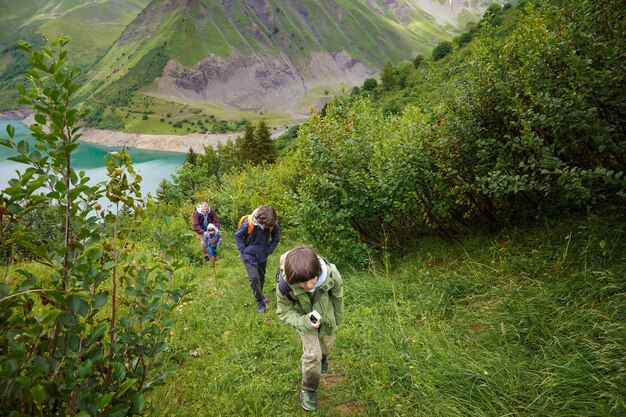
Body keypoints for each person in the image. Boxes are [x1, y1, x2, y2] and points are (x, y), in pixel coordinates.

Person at [275, 246, 344, 412]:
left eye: (310, 280)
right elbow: (284, 311)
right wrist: (304, 321)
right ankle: (309, 388)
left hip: (327, 320)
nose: (306, 285)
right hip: (304, 322)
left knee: (326, 345)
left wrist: (337, 318)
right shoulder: (285, 287)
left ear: (318, 270)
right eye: (300, 283)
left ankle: (323, 358)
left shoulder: (331, 273)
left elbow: (338, 295)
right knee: (313, 355)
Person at [234, 205, 280, 313]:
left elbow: (275, 239)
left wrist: (269, 250)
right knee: (254, 278)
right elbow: (238, 236)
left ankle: (260, 294)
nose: (266, 226)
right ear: (260, 218)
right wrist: (243, 250)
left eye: (268, 225)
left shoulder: (273, 224)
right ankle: (260, 301)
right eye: (264, 224)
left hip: (262, 255)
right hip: (248, 256)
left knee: (261, 277)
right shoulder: (248, 223)